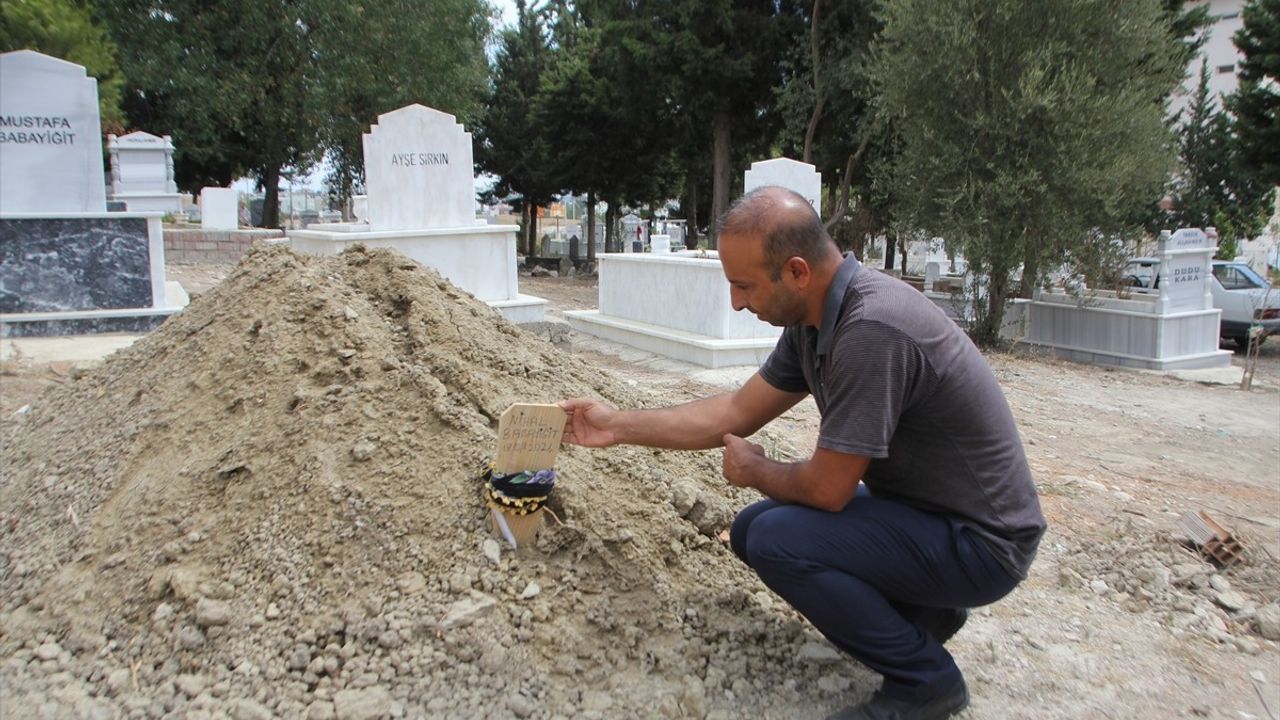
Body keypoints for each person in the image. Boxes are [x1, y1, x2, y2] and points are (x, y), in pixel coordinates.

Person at [559, 186, 1045, 720]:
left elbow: (828, 491)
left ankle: (925, 682)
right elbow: (734, 413)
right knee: (753, 529)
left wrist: (756, 469)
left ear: (796, 272)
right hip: (930, 518)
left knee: (774, 538)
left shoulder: (870, 330)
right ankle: (924, 617)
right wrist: (615, 426)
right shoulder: (814, 321)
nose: (737, 302)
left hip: (982, 546)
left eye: (744, 286)